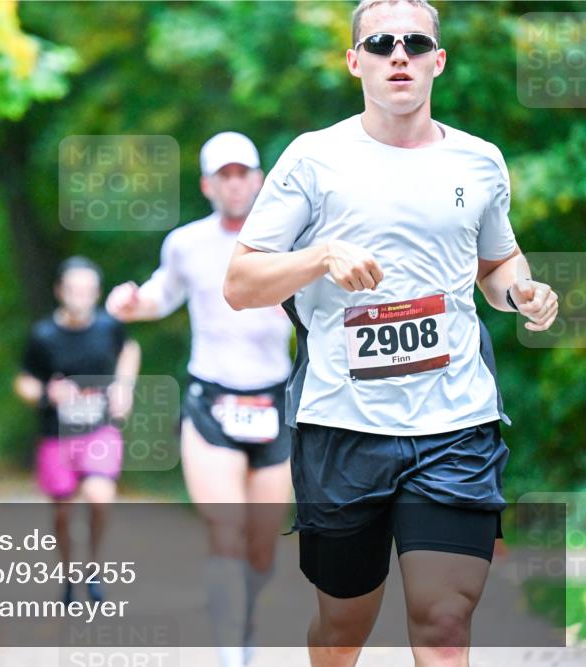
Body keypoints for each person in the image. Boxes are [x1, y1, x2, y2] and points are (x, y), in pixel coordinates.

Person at [223, 2, 559, 666]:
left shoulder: (479, 161)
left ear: (439, 59)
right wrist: (319, 257)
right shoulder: (314, 158)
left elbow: (496, 264)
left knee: (442, 623)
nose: (397, 53)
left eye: (414, 42)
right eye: (380, 42)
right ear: (356, 61)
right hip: (344, 426)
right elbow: (241, 282)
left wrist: (520, 290)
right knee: (344, 625)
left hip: (456, 421)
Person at [106, 132, 294, 667]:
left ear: (259, 180)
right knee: (226, 527)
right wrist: (131, 301)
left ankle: (246, 618)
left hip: (273, 403)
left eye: (243, 173)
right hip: (211, 399)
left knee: (262, 544)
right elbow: (160, 296)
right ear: (208, 185)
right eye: (224, 175)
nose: (235, 184)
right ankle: (230, 648)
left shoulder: (288, 240)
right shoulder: (186, 243)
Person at [15, 256, 141, 604]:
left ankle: (93, 567)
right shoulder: (43, 335)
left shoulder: (109, 327)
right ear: (60, 291)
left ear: (97, 293)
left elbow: (130, 349)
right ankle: (70, 573)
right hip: (56, 434)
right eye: (73, 289)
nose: (80, 296)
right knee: (63, 511)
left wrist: (123, 386)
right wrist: (45, 393)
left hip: (99, 429)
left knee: (101, 497)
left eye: (87, 290)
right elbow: (24, 381)